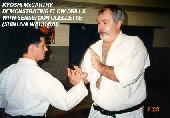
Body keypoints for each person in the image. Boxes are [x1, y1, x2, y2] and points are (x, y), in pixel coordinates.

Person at [72, 5, 150, 118]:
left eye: (105, 22)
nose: (100, 28)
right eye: (98, 23)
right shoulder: (94, 48)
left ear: (118, 24)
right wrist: (76, 79)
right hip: (97, 113)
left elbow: (126, 76)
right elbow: (85, 78)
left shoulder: (134, 44)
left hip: (126, 115)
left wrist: (98, 65)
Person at [0, 29, 88, 117]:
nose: (46, 49)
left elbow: (1, 102)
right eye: (43, 45)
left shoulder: (7, 71)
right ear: (32, 48)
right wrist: (80, 83)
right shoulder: (41, 76)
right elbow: (66, 102)